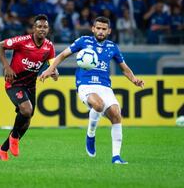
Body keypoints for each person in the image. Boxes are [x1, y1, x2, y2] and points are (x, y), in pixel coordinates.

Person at [40, 16, 144, 164]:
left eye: (104, 29)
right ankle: (91, 134)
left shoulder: (112, 47)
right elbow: (62, 55)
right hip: (85, 84)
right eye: (98, 28)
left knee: (116, 114)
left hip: (105, 86)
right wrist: (49, 69)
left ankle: (116, 157)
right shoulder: (84, 41)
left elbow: (124, 69)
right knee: (99, 105)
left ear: (109, 31)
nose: (101, 31)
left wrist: (134, 79)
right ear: (93, 29)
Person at [0, 14, 58, 161]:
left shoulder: (49, 46)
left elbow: (52, 64)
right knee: (26, 109)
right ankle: (14, 137)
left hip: (30, 86)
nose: (42, 29)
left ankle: (3, 149)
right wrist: (6, 67)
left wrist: (54, 72)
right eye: (39, 26)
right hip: (14, 83)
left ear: (48, 29)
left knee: (27, 121)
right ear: (34, 28)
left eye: (45, 27)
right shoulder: (22, 41)